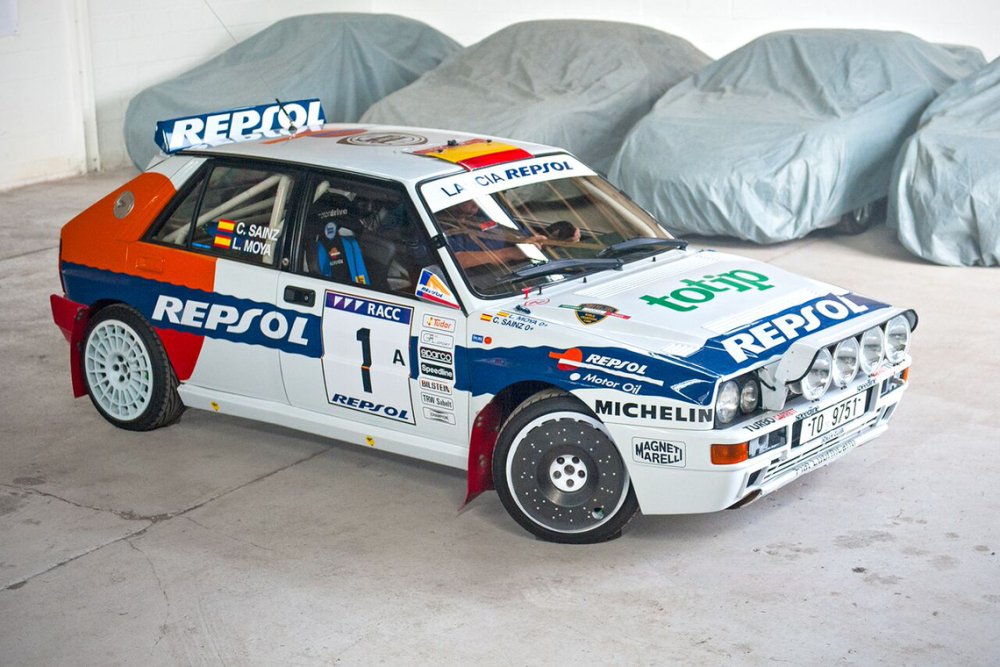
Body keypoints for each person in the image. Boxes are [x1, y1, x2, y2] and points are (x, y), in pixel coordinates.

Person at [442, 198, 579, 269]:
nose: (476, 203)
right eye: (468, 199)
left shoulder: (488, 211)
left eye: (477, 197)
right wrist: (510, 253)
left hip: (520, 271)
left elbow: (519, 234)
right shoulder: (439, 227)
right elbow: (452, 260)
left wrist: (550, 240)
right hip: (481, 282)